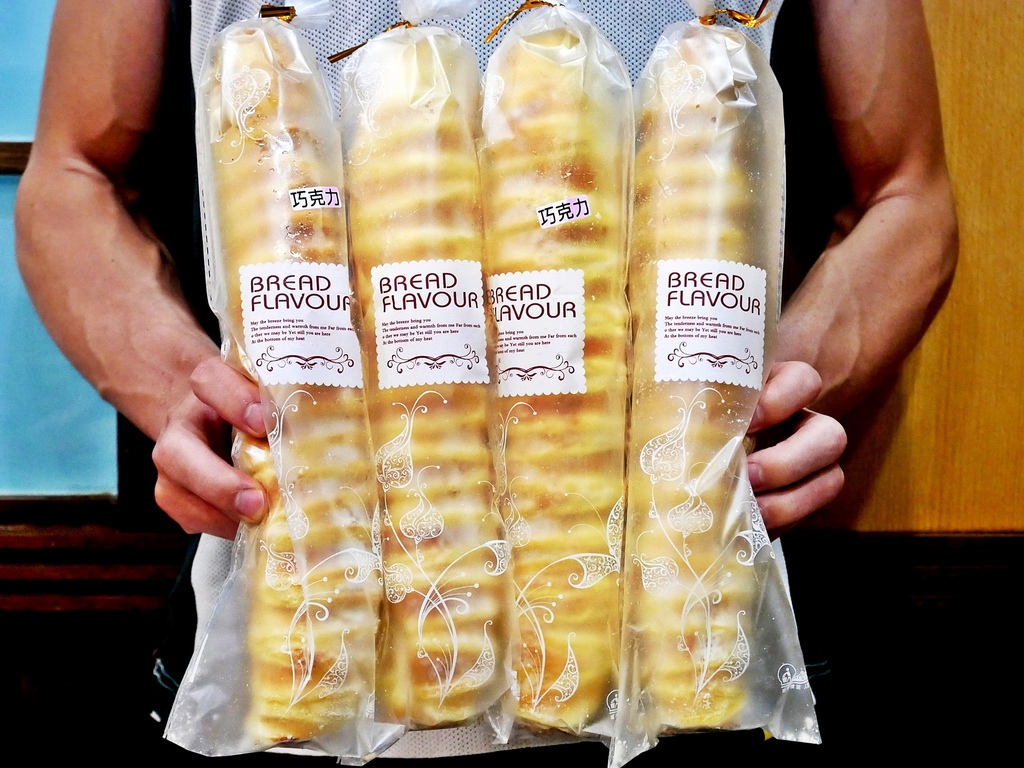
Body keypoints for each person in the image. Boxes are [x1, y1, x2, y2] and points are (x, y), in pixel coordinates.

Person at [14, 0, 955, 759]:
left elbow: (907, 193)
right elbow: (71, 176)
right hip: (294, 640)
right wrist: (187, 393)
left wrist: (772, 390)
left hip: (683, 658)